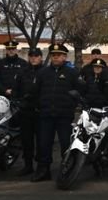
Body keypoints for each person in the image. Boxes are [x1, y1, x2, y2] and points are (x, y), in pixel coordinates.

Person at [31, 42, 80, 182]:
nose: (56, 58)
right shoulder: (43, 73)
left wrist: (72, 105)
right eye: (53, 55)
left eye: (59, 55)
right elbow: (36, 91)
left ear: (64, 57)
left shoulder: (72, 73)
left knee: (66, 143)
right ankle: (43, 170)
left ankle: (67, 170)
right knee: (44, 144)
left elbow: (80, 91)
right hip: (46, 114)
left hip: (64, 115)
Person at [14, 47, 44, 176]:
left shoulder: (45, 72)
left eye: (36, 56)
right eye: (31, 56)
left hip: (40, 111)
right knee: (26, 140)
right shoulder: (23, 72)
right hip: (25, 110)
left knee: (42, 140)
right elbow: (16, 89)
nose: (33, 58)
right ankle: (28, 165)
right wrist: (18, 101)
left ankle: (41, 166)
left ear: (41, 57)